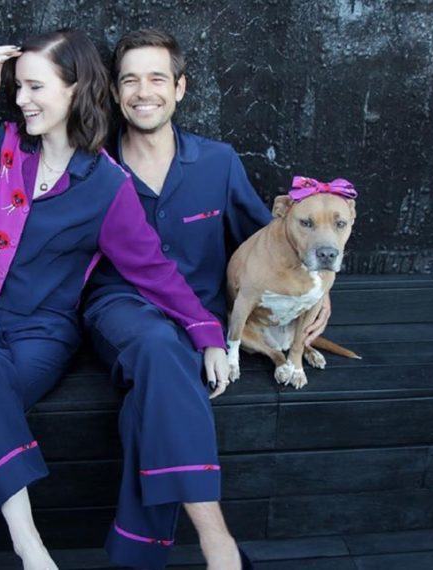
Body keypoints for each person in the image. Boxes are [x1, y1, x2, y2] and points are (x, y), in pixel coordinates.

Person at [0, 29, 229, 570]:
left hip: (46, 331)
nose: (23, 99)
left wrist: (206, 333)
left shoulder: (108, 184)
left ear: (75, 88)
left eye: (34, 87)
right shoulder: (9, 144)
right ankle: (29, 544)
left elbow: (151, 269)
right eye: (18, 88)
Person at [81, 30, 330, 570]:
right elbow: (41, 240)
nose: (143, 92)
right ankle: (219, 544)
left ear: (180, 88)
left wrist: (319, 294)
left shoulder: (217, 162)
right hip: (119, 310)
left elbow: (270, 242)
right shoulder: (91, 165)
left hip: (203, 316)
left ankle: (138, 555)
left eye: (156, 78)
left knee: (146, 402)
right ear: (115, 92)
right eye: (129, 80)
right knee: (154, 343)